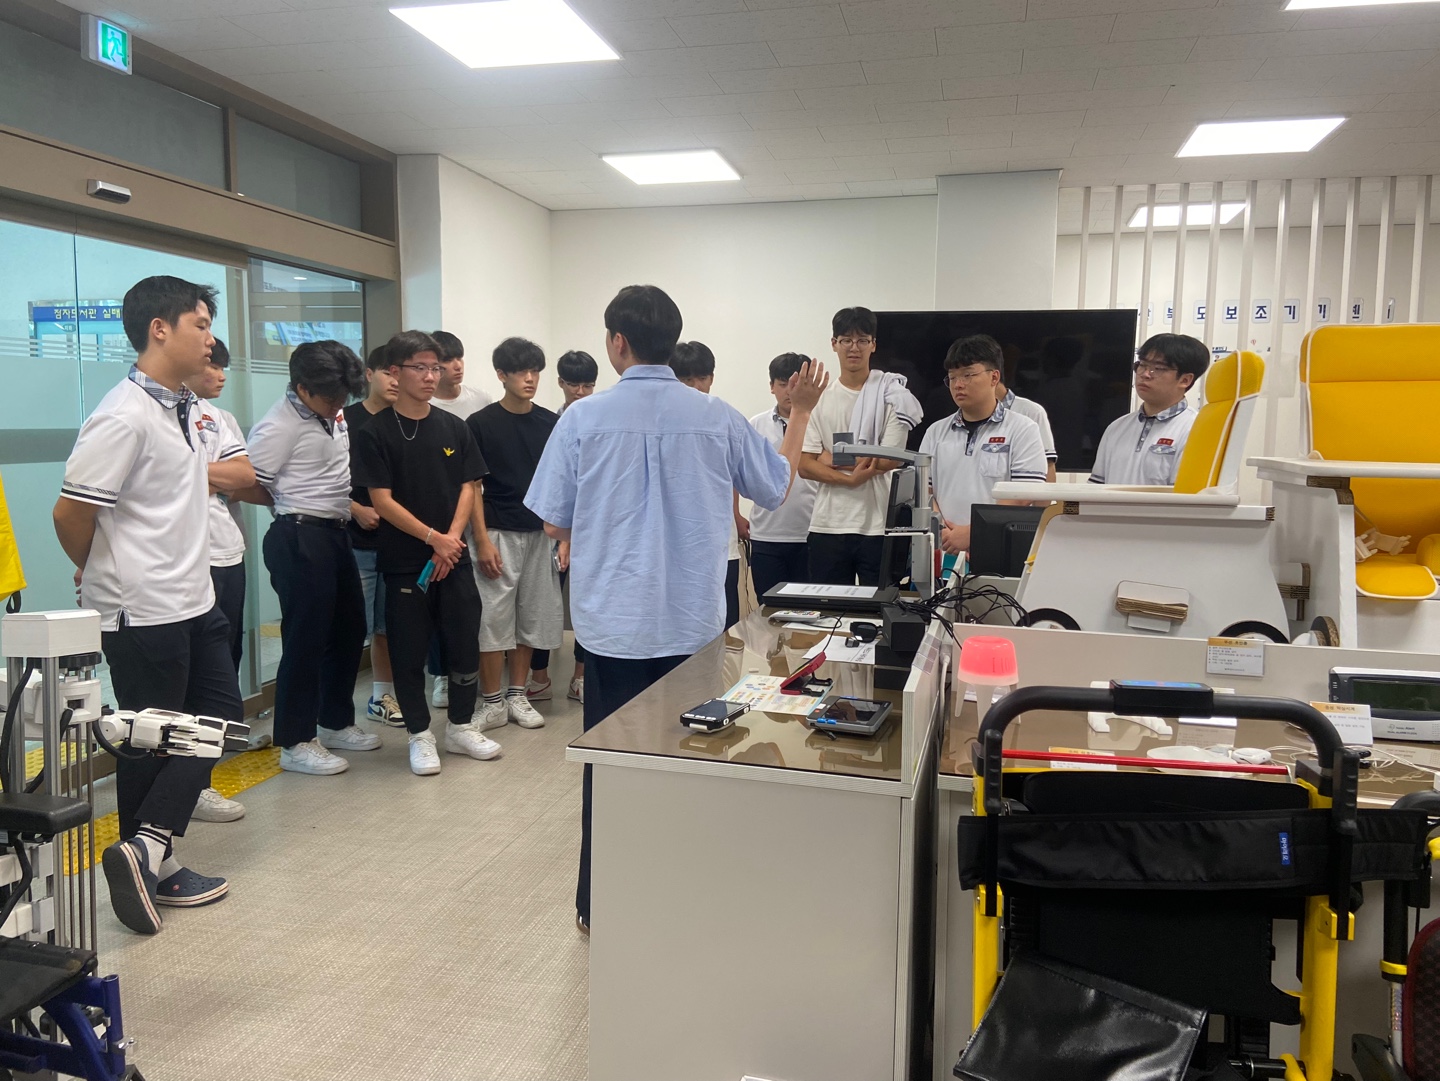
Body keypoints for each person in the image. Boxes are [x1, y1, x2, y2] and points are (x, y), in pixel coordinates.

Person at [525, 284, 827, 935]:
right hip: (693, 624)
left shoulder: (581, 419)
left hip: (613, 626)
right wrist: (800, 413)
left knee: (613, 762)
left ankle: (601, 903)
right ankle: (684, 897)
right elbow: (775, 487)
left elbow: (552, 521)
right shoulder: (718, 416)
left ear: (617, 343)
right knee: (691, 755)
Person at [55, 275, 249, 934]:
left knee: (212, 723)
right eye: (201, 324)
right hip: (141, 608)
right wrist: (98, 569)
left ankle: (146, 850)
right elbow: (71, 512)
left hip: (195, 597)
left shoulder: (186, 409)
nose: (211, 338)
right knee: (154, 740)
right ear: (159, 329)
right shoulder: (123, 414)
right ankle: (153, 862)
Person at [354, 330, 501, 776]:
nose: (430, 376)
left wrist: (451, 540)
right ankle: (420, 735)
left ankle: (460, 726)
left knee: (463, 643)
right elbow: (381, 500)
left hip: (453, 559)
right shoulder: (375, 431)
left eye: (435, 367)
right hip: (404, 562)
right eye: (420, 367)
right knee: (408, 650)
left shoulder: (454, 427)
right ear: (395, 372)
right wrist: (433, 538)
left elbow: (469, 486)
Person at [245, 340, 379, 776]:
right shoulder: (277, 426)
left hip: (336, 532)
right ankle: (295, 741)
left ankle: (334, 722)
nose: (339, 404)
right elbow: (248, 482)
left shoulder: (329, 410)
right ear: (302, 388)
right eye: (331, 398)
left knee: (348, 630)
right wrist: (290, 501)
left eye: (343, 397)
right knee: (305, 640)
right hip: (299, 536)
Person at [468, 337, 561, 732]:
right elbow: (472, 486)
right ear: (501, 375)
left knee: (531, 615)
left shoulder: (550, 423)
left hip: (540, 532)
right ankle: (492, 701)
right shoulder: (480, 423)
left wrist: (564, 537)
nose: (530, 378)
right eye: (521, 371)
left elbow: (561, 483)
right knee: (493, 618)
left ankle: (517, 694)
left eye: (535, 371)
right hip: (496, 531)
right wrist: (481, 539)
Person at [801, 306, 922, 586]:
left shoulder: (893, 395)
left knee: (880, 608)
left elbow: (890, 459)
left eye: (862, 340)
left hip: (879, 525)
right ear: (834, 344)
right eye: (846, 340)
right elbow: (804, 465)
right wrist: (849, 479)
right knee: (828, 607)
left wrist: (830, 457)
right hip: (828, 524)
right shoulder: (820, 398)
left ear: (873, 344)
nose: (854, 348)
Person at [183, 337, 249, 824]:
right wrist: (210, 474)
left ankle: (199, 776)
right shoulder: (133, 412)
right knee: (187, 678)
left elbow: (243, 476)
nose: (220, 373)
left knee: (225, 664)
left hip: (227, 554)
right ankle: (190, 785)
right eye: (213, 364)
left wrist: (185, 474)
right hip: (183, 563)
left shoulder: (217, 417)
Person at [919, 335, 1048, 556]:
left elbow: (1024, 493)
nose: (958, 384)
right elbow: (924, 491)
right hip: (945, 547)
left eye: (968, 375)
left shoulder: (1023, 428)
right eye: (952, 377)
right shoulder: (936, 432)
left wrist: (973, 532)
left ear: (994, 377)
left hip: (999, 549)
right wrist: (944, 532)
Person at [425, 330, 492, 709]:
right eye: (446, 361)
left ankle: (469, 673)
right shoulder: (423, 406)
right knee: (437, 597)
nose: (456, 366)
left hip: (473, 514)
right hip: (433, 519)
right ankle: (440, 675)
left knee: (468, 603)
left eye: (458, 358)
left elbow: (477, 475)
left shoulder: (479, 401)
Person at [527, 350, 597, 702]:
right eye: (573, 385)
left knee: (586, 603)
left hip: (590, 528)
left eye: (587, 385)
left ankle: (580, 675)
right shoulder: (547, 423)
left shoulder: (598, 421)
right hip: (550, 527)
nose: (580, 392)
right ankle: (539, 675)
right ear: (560, 383)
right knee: (545, 602)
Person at [345, 346, 404, 728]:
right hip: (356, 541)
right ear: (369, 374)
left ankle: (382, 696)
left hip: (398, 544)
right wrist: (355, 508)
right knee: (352, 628)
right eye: (388, 373)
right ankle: (336, 710)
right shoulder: (345, 420)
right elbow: (324, 480)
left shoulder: (405, 421)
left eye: (401, 373)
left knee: (388, 626)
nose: (395, 381)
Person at [671, 340, 743, 628]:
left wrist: (737, 515)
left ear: (712, 378)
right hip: (677, 548)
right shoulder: (662, 427)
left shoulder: (725, 422)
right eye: (686, 379)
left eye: (701, 378)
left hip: (720, 545)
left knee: (726, 625)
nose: (696, 387)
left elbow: (738, 477)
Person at [740, 353, 819, 600]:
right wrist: (736, 515)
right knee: (769, 609)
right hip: (766, 535)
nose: (789, 391)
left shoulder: (820, 423)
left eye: (796, 384)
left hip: (811, 533)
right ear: (772, 386)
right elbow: (737, 471)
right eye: (783, 384)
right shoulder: (755, 425)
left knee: (811, 610)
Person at [1089, 333, 1210, 487]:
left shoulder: (1195, 430)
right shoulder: (1117, 427)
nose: (1145, 374)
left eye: (1158, 368)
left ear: (1185, 380)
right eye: (1142, 365)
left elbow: (1184, 497)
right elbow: (1095, 489)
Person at [995, 366, 1058, 483]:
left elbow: (1048, 464)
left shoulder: (1031, 411)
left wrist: (1048, 494)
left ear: (994, 377)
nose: (961, 384)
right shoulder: (966, 415)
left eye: (968, 375)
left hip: (1021, 491)